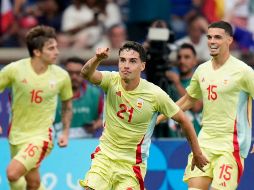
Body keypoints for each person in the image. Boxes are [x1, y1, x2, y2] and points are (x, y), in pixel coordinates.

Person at [78, 41, 208, 189]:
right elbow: (86, 74)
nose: (126, 65)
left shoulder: (155, 94)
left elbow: (184, 121)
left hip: (131, 165)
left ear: (142, 66)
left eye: (133, 61)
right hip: (105, 157)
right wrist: (97, 59)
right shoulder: (111, 80)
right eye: (123, 60)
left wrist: (197, 153)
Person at [158, 20, 254, 190]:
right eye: (209, 37)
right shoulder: (202, 70)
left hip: (231, 147)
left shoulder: (243, 71)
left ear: (229, 40)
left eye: (218, 37)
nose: (212, 41)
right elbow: (188, 100)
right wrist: (159, 118)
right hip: (204, 143)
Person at [0, 25, 73, 190]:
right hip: (16, 135)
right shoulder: (14, 70)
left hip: (42, 136)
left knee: (12, 173)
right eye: (51, 48)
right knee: (30, 183)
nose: (57, 52)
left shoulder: (61, 76)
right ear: (37, 52)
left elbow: (67, 105)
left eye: (56, 47)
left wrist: (65, 132)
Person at [54, 57, 104, 138]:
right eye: (70, 73)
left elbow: (104, 118)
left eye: (78, 73)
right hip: (58, 142)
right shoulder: (54, 93)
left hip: (86, 143)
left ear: (85, 74)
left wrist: (95, 125)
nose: (74, 77)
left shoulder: (94, 94)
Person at [165, 43, 202, 137]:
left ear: (195, 61)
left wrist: (177, 84)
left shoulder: (200, 81)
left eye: (187, 57)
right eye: (179, 57)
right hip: (171, 141)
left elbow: (196, 107)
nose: (182, 61)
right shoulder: (168, 83)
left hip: (194, 141)